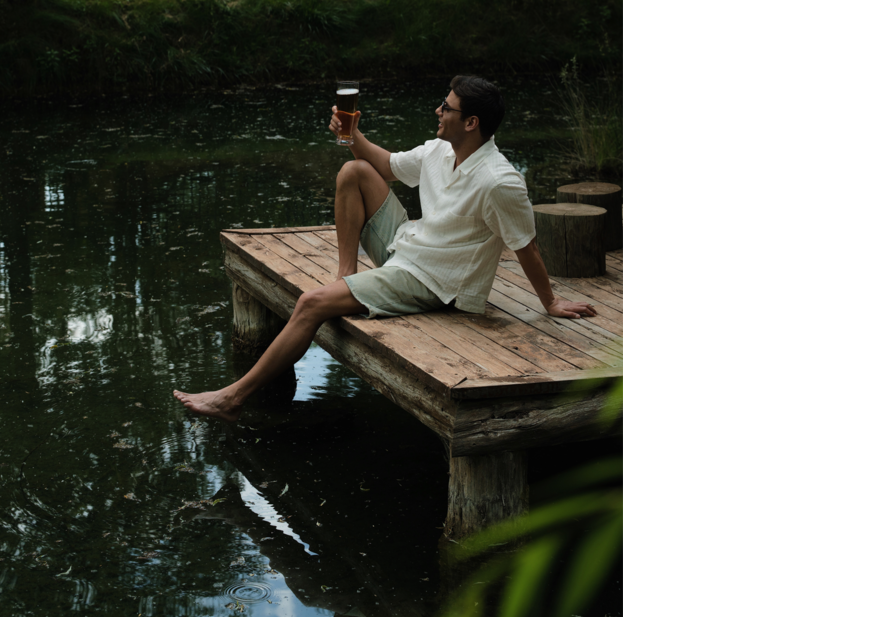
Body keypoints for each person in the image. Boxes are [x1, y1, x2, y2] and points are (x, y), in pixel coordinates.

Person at [173, 75, 596, 422]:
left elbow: (527, 246)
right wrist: (353, 134)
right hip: (409, 250)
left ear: (471, 123)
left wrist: (551, 301)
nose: (438, 110)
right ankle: (345, 273)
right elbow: (386, 165)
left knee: (310, 303)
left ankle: (232, 397)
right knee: (354, 171)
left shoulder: (499, 181)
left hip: (435, 282)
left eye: (446, 107)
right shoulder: (438, 152)